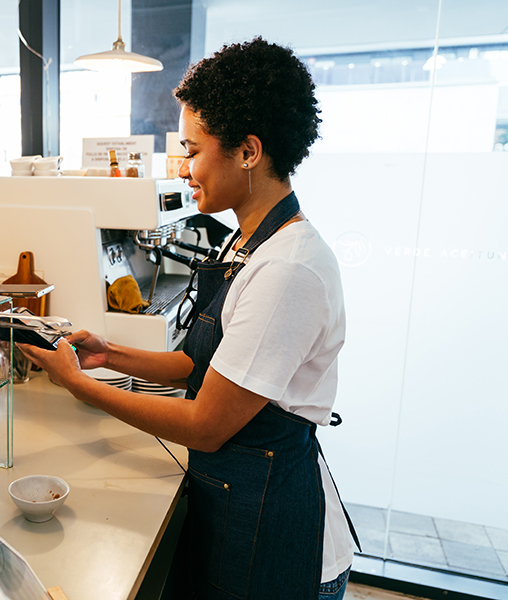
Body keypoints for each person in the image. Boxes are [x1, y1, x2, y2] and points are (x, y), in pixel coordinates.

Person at [20, 38, 358, 600]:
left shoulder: (287, 270)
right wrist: (109, 355)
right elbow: (198, 362)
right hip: (234, 494)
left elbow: (206, 423)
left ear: (248, 151)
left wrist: (80, 385)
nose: (184, 167)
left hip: (269, 525)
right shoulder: (249, 240)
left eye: (193, 149)